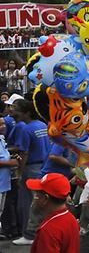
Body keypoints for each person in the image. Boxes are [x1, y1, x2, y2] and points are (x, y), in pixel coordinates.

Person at [9, 97, 49, 246]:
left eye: (18, 111)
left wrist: (20, 172)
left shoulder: (26, 129)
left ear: (27, 113)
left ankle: (29, 234)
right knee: (40, 202)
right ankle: (39, 231)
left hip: (31, 167)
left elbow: (23, 153)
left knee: (28, 203)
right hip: (43, 167)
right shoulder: (42, 125)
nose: (15, 113)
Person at [25, 173, 78, 253]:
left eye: (37, 194)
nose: (35, 198)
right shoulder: (71, 218)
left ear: (45, 198)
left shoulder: (49, 230)